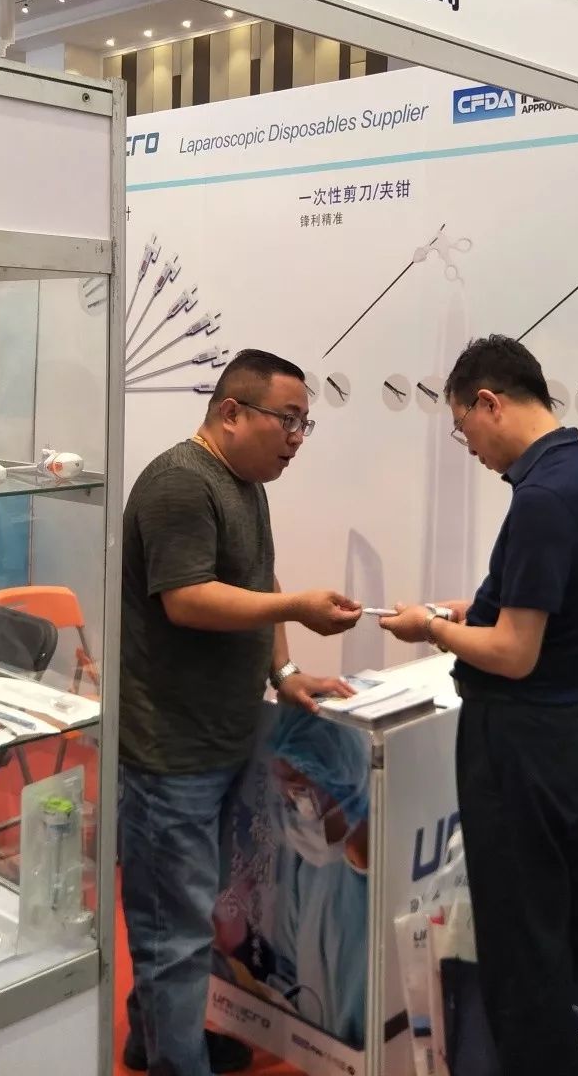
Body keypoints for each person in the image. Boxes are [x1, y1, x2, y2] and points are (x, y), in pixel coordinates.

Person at [381, 335, 578, 1076]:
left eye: (465, 428)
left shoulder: (543, 499)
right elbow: (547, 610)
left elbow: (516, 652)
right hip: (566, 730)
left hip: (519, 740)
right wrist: (468, 611)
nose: (471, 450)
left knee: (520, 937)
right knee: (560, 912)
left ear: (489, 402)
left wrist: (430, 629)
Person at [119, 349, 362, 1076]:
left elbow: (259, 577)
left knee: (187, 912)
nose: (296, 438)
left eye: (304, 423)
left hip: (223, 737)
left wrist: (282, 670)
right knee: (175, 927)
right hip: (171, 751)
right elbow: (188, 599)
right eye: (287, 420)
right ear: (231, 412)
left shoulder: (245, 484)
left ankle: (155, 1038)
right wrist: (296, 608)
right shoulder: (180, 483)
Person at [265, 707, 370, 1048]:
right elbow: (287, 971)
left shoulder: (387, 884)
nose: (294, 811)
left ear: (341, 783)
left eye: (299, 793)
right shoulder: (308, 868)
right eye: (285, 796)